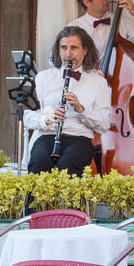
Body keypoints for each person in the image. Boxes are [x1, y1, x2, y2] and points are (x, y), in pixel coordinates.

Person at [24, 26, 111, 175]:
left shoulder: (98, 82)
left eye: (74, 48)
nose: (68, 54)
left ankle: (67, 199)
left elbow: (104, 124)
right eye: (63, 47)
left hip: (79, 138)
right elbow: (27, 117)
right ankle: (36, 200)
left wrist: (81, 110)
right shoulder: (44, 78)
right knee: (39, 161)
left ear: (85, 50)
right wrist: (47, 119)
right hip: (47, 136)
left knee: (68, 166)